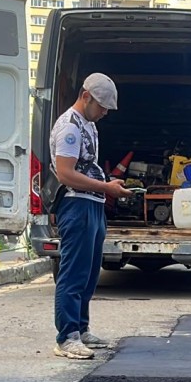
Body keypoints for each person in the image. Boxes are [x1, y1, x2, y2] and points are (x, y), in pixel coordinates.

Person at [50, 73, 131, 360]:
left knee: (88, 273)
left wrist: (108, 187)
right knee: (73, 274)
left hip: (92, 204)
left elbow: (88, 167)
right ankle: (67, 336)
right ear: (86, 96)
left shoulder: (89, 126)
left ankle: (81, 330)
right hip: (77, 205)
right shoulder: (69, 128)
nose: (106, 112)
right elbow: (66, 173)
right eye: (102, 106)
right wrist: (105, 187)